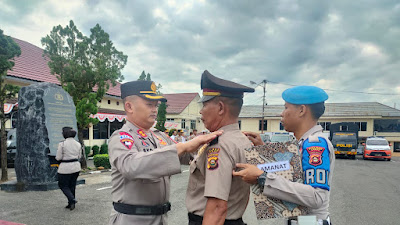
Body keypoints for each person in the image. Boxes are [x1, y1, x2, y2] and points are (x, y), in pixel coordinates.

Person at [108, 80, 222, 225]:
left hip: (160, 218)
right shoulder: (121, 137)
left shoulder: (158, 136)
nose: (155, 109)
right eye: (149, 104)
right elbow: (131, 166)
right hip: (133, 219)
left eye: (156, 105)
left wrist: (209, 145)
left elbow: (189, 156)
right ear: (129, 106)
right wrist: (184, 146)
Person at [233, 86, 334, 225]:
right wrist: (262, 149)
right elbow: (292, 175)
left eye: (286, 108)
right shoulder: (302, 142)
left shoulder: (314, 145)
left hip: (309, 222)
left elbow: (316, 197)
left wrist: (262, 177)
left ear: (302, 110)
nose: (282, 114)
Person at [186, 70, 255, 225]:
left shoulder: (220, 145)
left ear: (221, 108)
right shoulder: (243, 140)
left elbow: (217, 207)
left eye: (204, 104)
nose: (200, 111)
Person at [56, 127, 81, 210]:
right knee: (72, 185)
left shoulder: (62, 144)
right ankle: (71, 203)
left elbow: (58, 157)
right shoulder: (78, 144)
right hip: (76, 166)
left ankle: (72, 199)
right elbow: (79, 156)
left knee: (63, 185)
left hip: (65, 167)